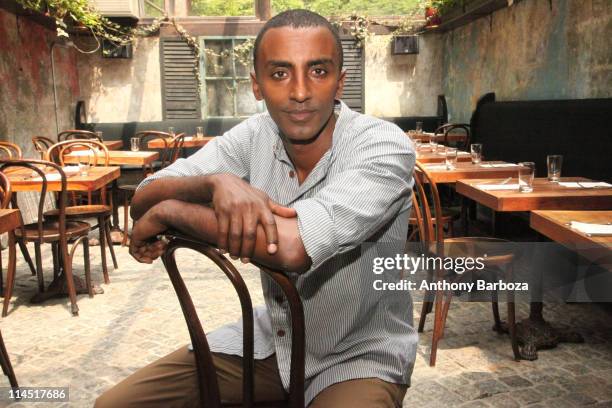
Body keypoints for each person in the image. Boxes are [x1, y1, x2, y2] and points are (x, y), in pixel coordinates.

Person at [96, 9, 416, 408]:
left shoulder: (383, 145)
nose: (300, 91)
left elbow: (293, 247)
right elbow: (145, 193)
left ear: (340, 83)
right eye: (280, 73)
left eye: (317, 71)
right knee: (116, 405)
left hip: (358, 354)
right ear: (257, 86)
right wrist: (213, 182)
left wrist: (168, 215)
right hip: (273, 344)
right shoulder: (254, 135)